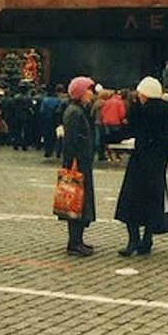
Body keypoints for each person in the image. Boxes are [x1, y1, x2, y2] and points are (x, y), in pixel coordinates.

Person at [115, 76, 168, 257]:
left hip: (140, 162)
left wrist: (108, 139)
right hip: (158, 164)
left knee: (130, 203)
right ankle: (147, 240)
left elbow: (129, 130)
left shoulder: (140, 111)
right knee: (153, 203)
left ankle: (133, 240)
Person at [60, 76, 97, 256]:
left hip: (82, 163)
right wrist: (72, 163)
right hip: (77, 164)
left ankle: (78, 240)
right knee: (76, 203)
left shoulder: (79, 110)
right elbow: (71, 141)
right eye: (89, 90)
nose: (91, 94)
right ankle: (74, 243)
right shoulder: (74, 112)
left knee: (81, 203)